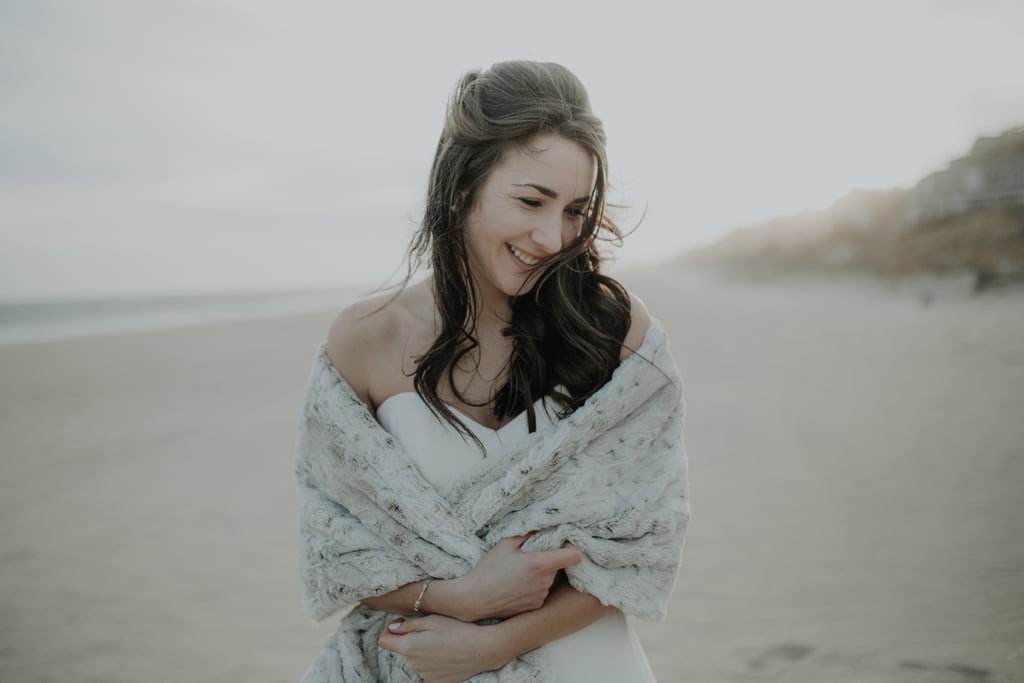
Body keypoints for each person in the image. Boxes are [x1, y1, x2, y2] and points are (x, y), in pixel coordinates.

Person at [295, 60, 688, 683]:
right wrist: (460, 598)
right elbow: (338, 547)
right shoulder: (364, 338)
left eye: (574, 209)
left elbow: (644, 545)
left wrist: (493, 645)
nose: (553, 236)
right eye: (532, 200)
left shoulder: (614, 329)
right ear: (463, 184)